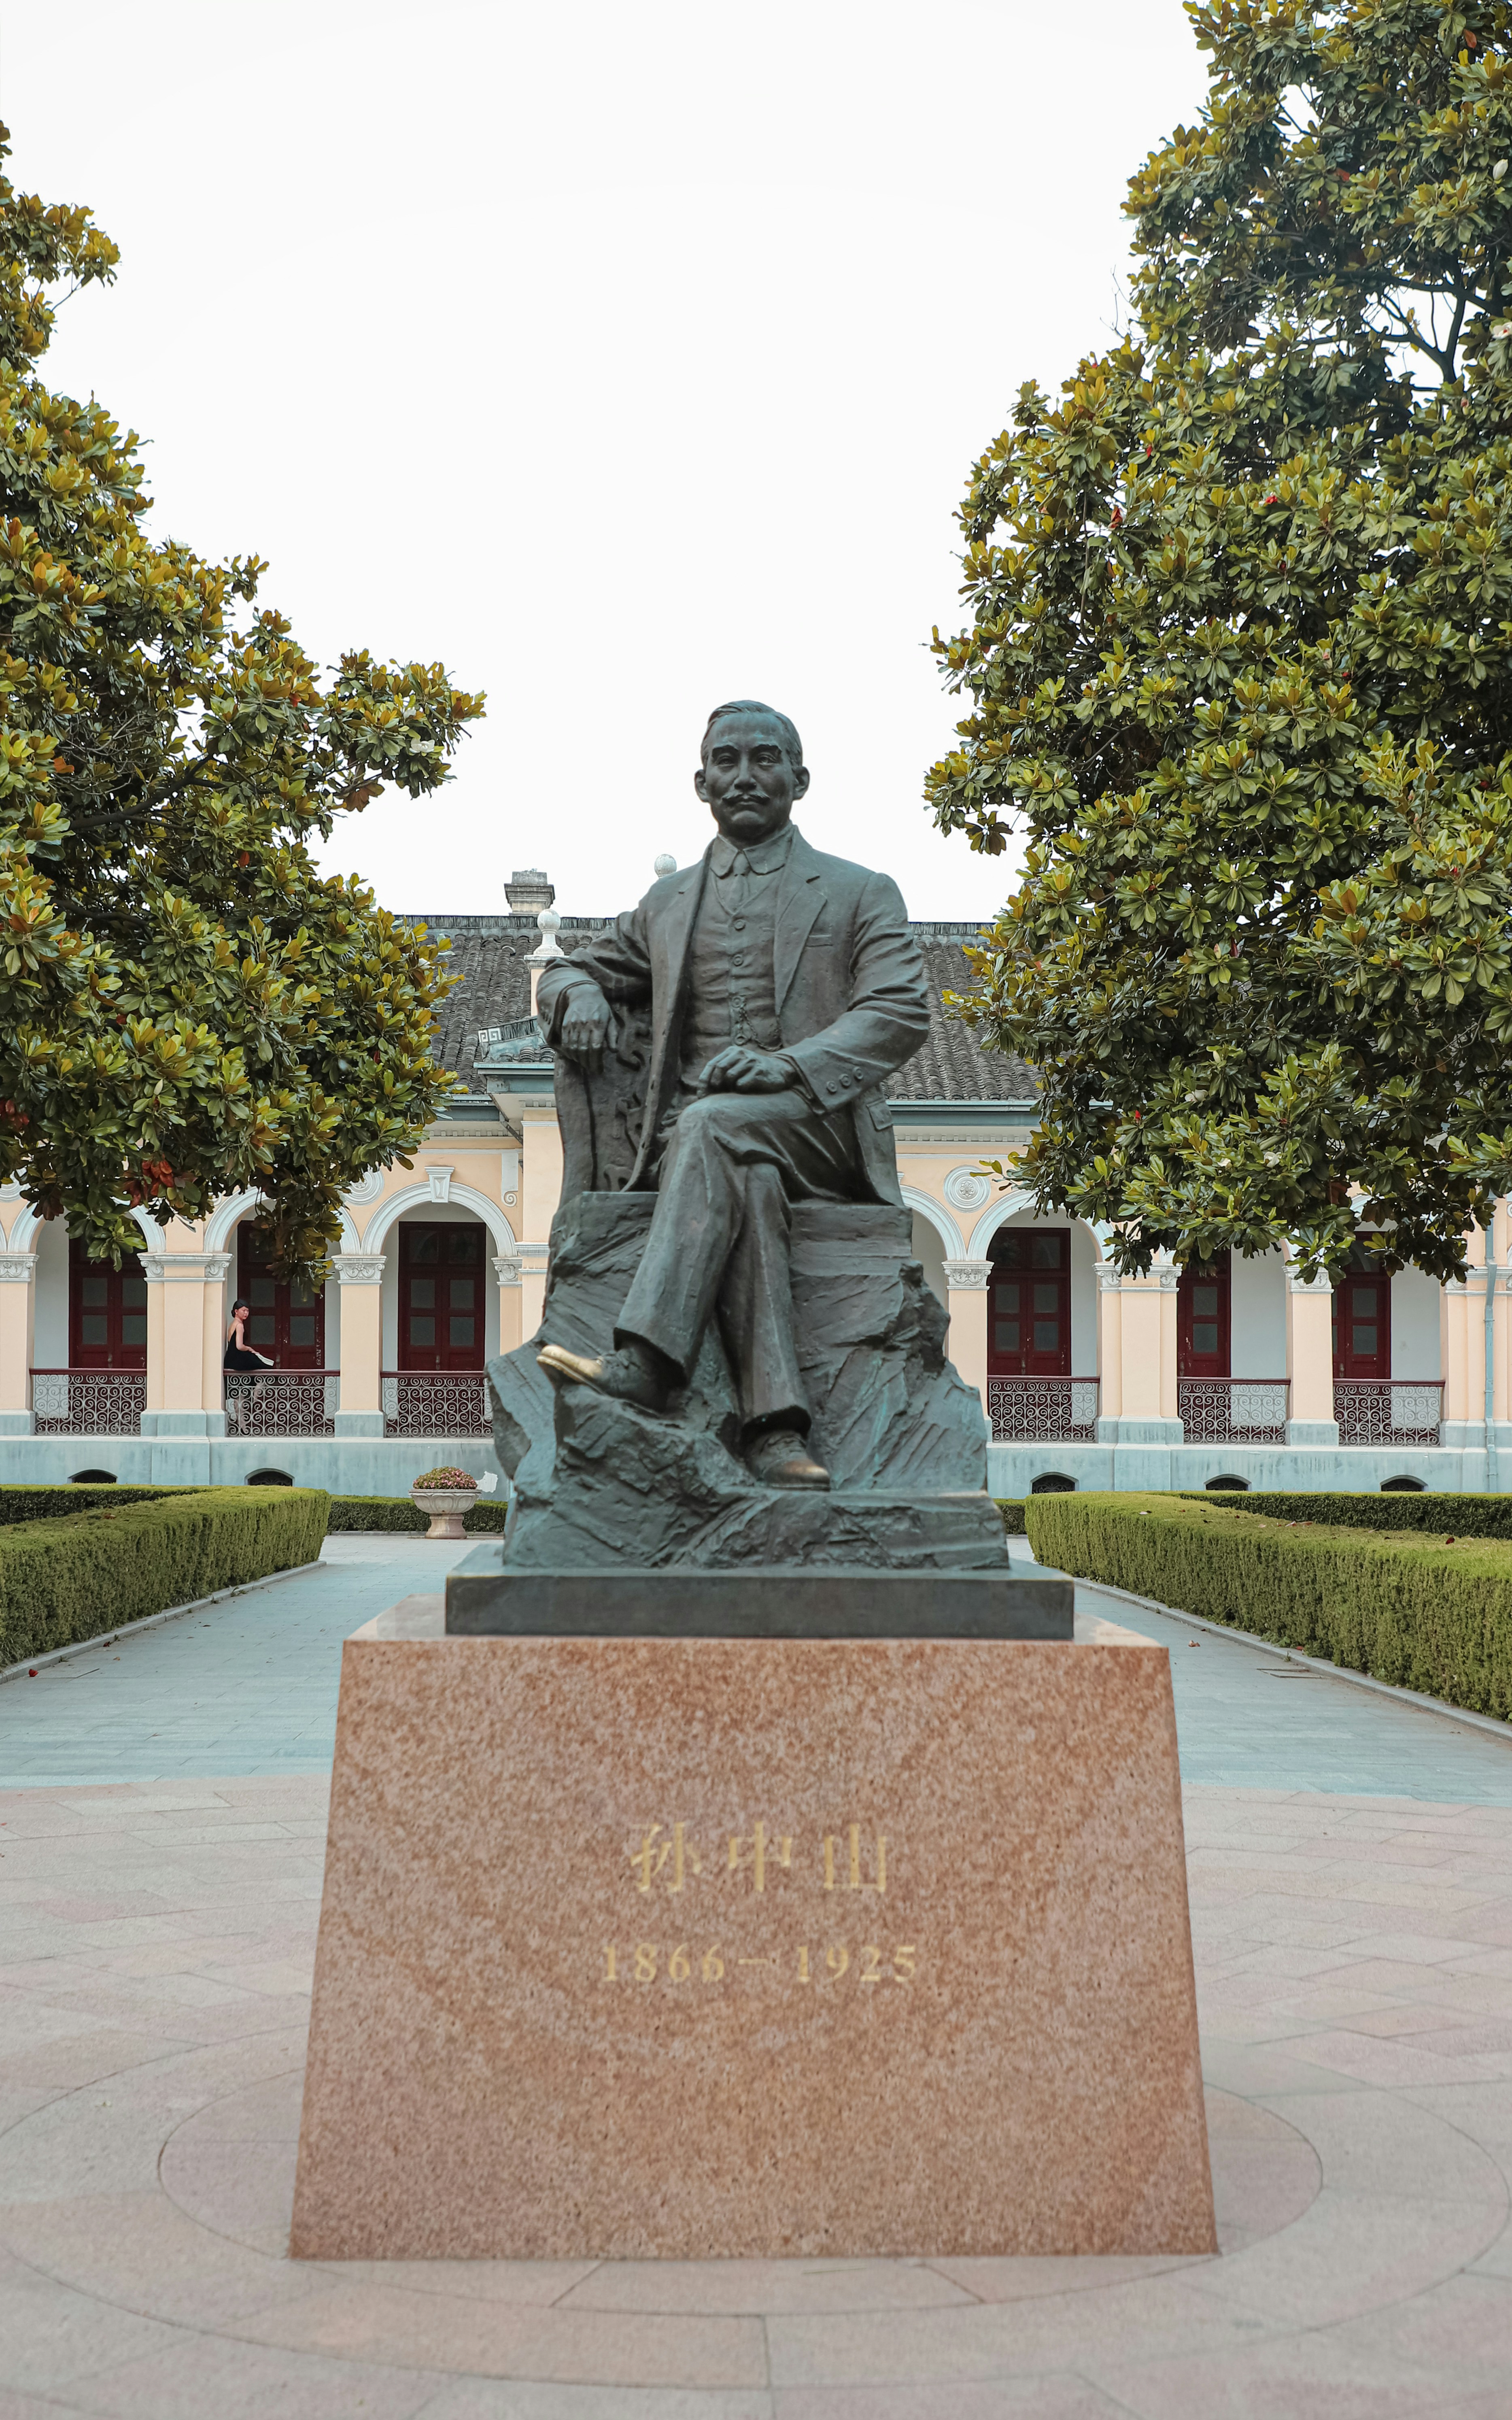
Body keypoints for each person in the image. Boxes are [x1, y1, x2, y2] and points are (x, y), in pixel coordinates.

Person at [535, 699, 931, 1491]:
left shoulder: (859, 892)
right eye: (727, 761)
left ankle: (647, 1360)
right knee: (736, 1165)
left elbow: (898, 1011)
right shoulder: (667, 902)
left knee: (715, 1127)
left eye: (764, 758)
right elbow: (574, 969)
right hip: (703, 1146)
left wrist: (788, 1066)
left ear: (799, 778)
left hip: (818, 1129)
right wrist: (572, 992)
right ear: (700, 781)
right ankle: (776, 1430)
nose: (745, 776)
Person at [223, 1295, 273, 1428]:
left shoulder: (232, 1324)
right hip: (239, 1358)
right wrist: (250, 1349)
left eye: (247, 1311)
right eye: (244, 1310)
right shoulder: (239, 1325)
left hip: (230, 1359)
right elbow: (239, 1346)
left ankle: (242, 1426)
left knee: (238, 1395)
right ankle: (257, 1391)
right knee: (268, 1367)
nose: (246, 1313)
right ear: (236, 1311)